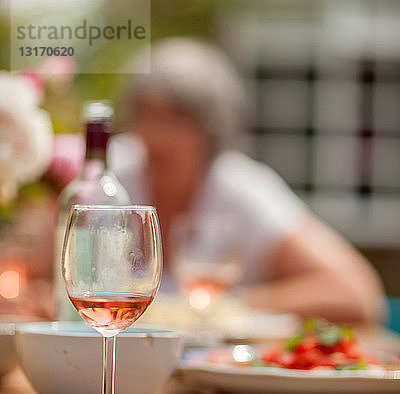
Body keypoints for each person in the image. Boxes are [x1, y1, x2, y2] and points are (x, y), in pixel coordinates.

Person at [109, 37, 384, 323]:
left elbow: (357, 293)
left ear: (211, 129)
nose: (156, 136)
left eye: (175, 120)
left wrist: (228, 308)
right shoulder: (106, 177)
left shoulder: (240, 189)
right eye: (146, 116)